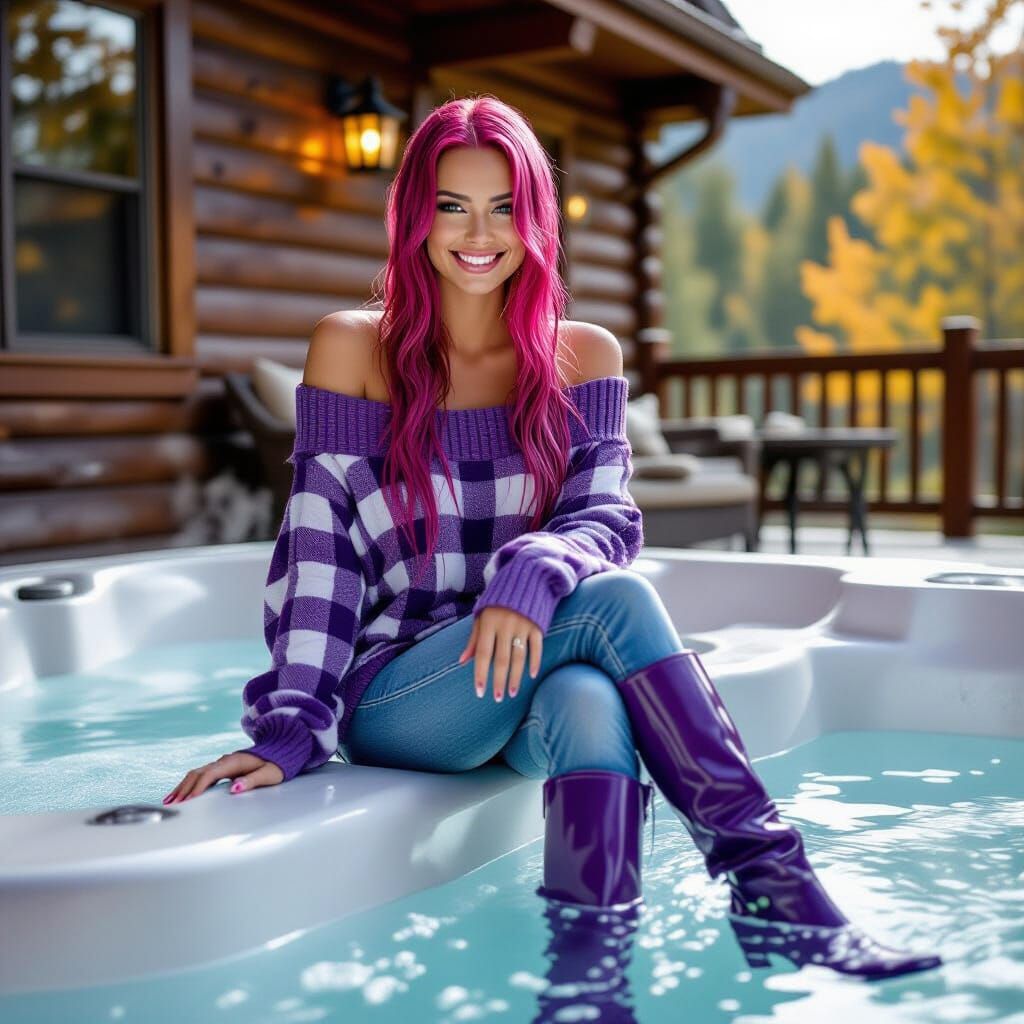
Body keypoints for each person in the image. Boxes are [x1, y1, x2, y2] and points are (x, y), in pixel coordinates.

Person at [164, 95, 942, 981]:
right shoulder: (353, 348)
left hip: (527, 675)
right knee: (614, 603)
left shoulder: (584, 355)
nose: (478, 232)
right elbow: (318, 557)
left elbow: (605, 518)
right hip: (403, 697)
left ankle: (587, 975)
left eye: (503, 206)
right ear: (415, 214)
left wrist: (533, 567)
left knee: (589, 701)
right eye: (452, 205)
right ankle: (777, 893)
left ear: (535, 217)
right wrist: (291, 728)